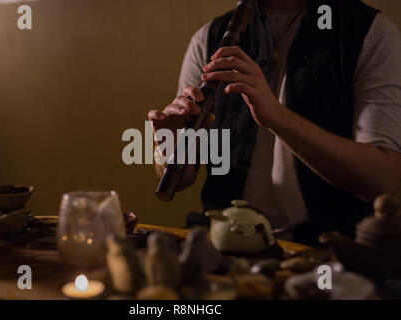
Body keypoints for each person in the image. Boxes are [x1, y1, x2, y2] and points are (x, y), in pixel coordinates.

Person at [148, 0, 401, 244]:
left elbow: (383, 181)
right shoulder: (209, 38)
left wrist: (277, 117)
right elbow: (181, 180)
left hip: (326, 250)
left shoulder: (369, 33)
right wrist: (169, 147)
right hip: (223, 241)